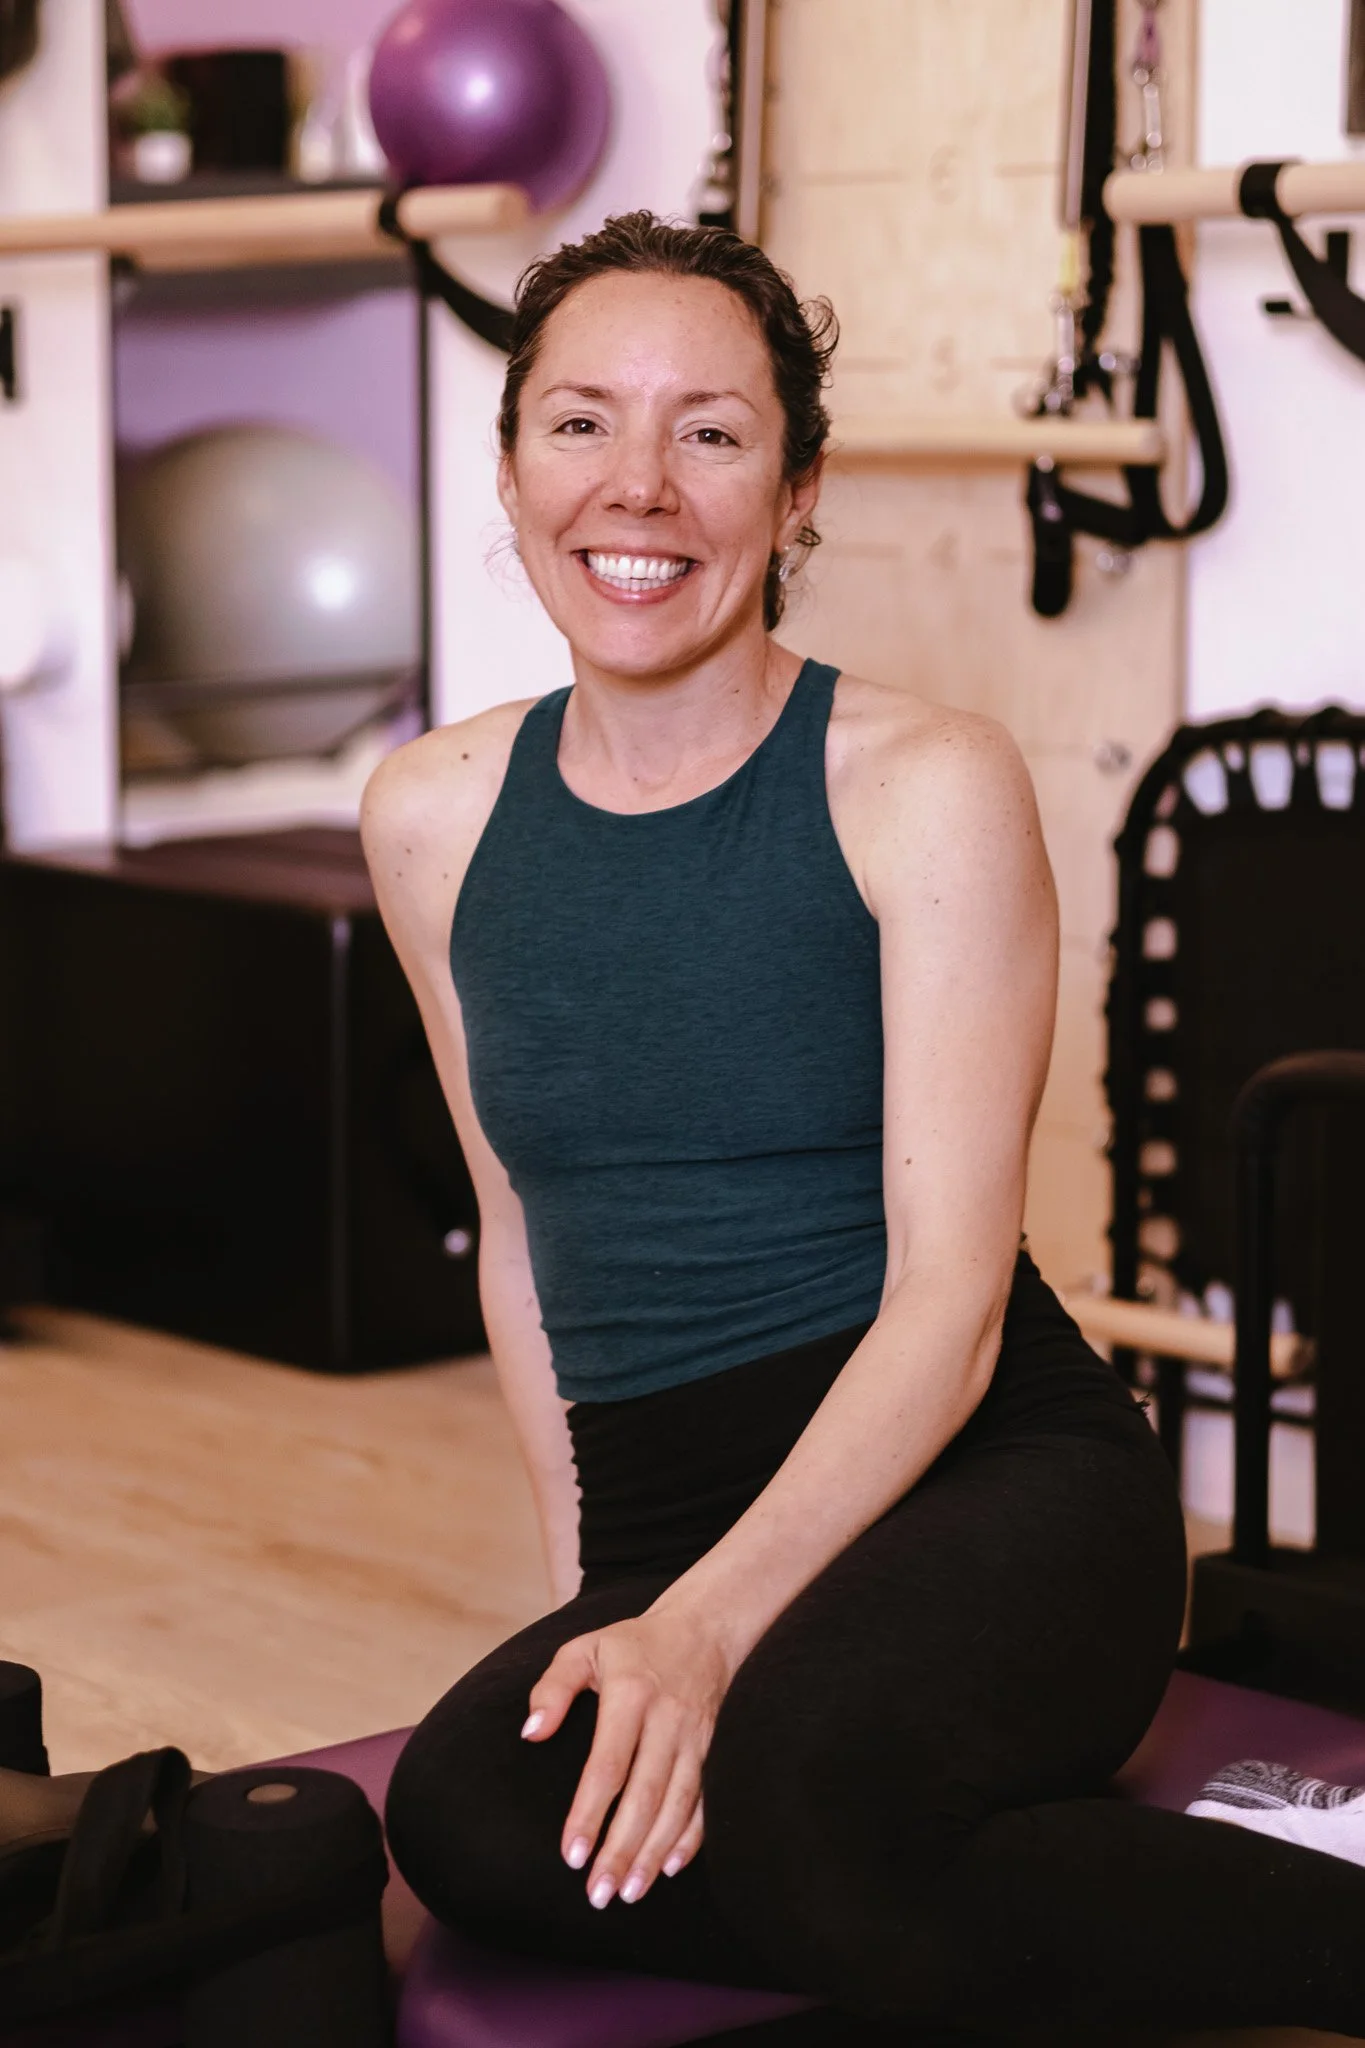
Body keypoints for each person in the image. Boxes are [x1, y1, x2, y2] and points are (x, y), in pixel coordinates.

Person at [362, 212, 1365, 2039]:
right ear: (508, 467)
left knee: (811, 1809)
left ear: (798, 490)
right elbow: (524, 1236)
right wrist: (613, 1604)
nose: (638, 487)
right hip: (672, 1502)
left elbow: (951, 1309)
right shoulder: (430, 816)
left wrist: (711, 1632)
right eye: (580, 424)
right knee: (474, 1822)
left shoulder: (927, 786)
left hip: (986, 1476)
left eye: (714, 433)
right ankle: (1082, 1883)